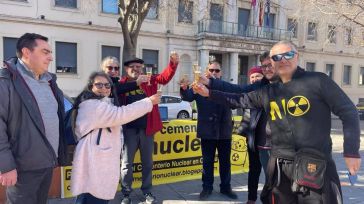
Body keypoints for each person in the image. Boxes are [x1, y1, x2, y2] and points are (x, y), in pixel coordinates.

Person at [194, 41, 361, 204]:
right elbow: (240, 99)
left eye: (288, 54)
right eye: (277, 57)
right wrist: (209, 93)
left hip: (315, 165)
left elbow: (348, 111)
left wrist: (351, 151)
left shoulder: (318, 81)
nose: (283, 59)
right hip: (280, 167)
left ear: (297, 56)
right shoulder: (269, 91)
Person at [71, 72, 161, 203]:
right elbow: (120, 114)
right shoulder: (91, 105)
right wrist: (148, 102)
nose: (104, 88)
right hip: (93, 164)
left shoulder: (104, 103)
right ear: (91, 87)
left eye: (107, 85)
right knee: (90, 198)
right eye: (99, 85)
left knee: (94, 197)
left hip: (99, 164)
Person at [0, 33, 68, 204]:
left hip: (47, 163)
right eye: (45, 52)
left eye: (50, 53)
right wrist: (6, 166)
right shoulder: (6, 80)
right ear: (26, 52)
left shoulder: (50, 81)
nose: (51, 57)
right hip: (22, 168)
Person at [120, 53, 179, 204]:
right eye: (132, 67)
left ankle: (147, 191)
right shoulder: (122, 84)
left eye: (138, 67)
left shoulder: (149, 80)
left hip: (147, 129)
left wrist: (172, 63)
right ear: (126, 69)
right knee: (127, 164)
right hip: (129, 131)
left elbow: (164, 78)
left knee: (147, 163)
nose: (136, 69)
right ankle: (126, 193)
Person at [179, 61, 238, 201]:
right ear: (207, 71)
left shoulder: (225, 87)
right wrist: (184, 87)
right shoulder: (199, 86)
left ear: (221, 73)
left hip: (224, 130)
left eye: (217, 70)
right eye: (211, 70)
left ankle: (226, 187)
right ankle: (207, 188)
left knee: (225, 162)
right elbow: (187, 97)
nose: (214, 73)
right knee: (207, 162)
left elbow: (235, 104)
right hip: (207, 130)